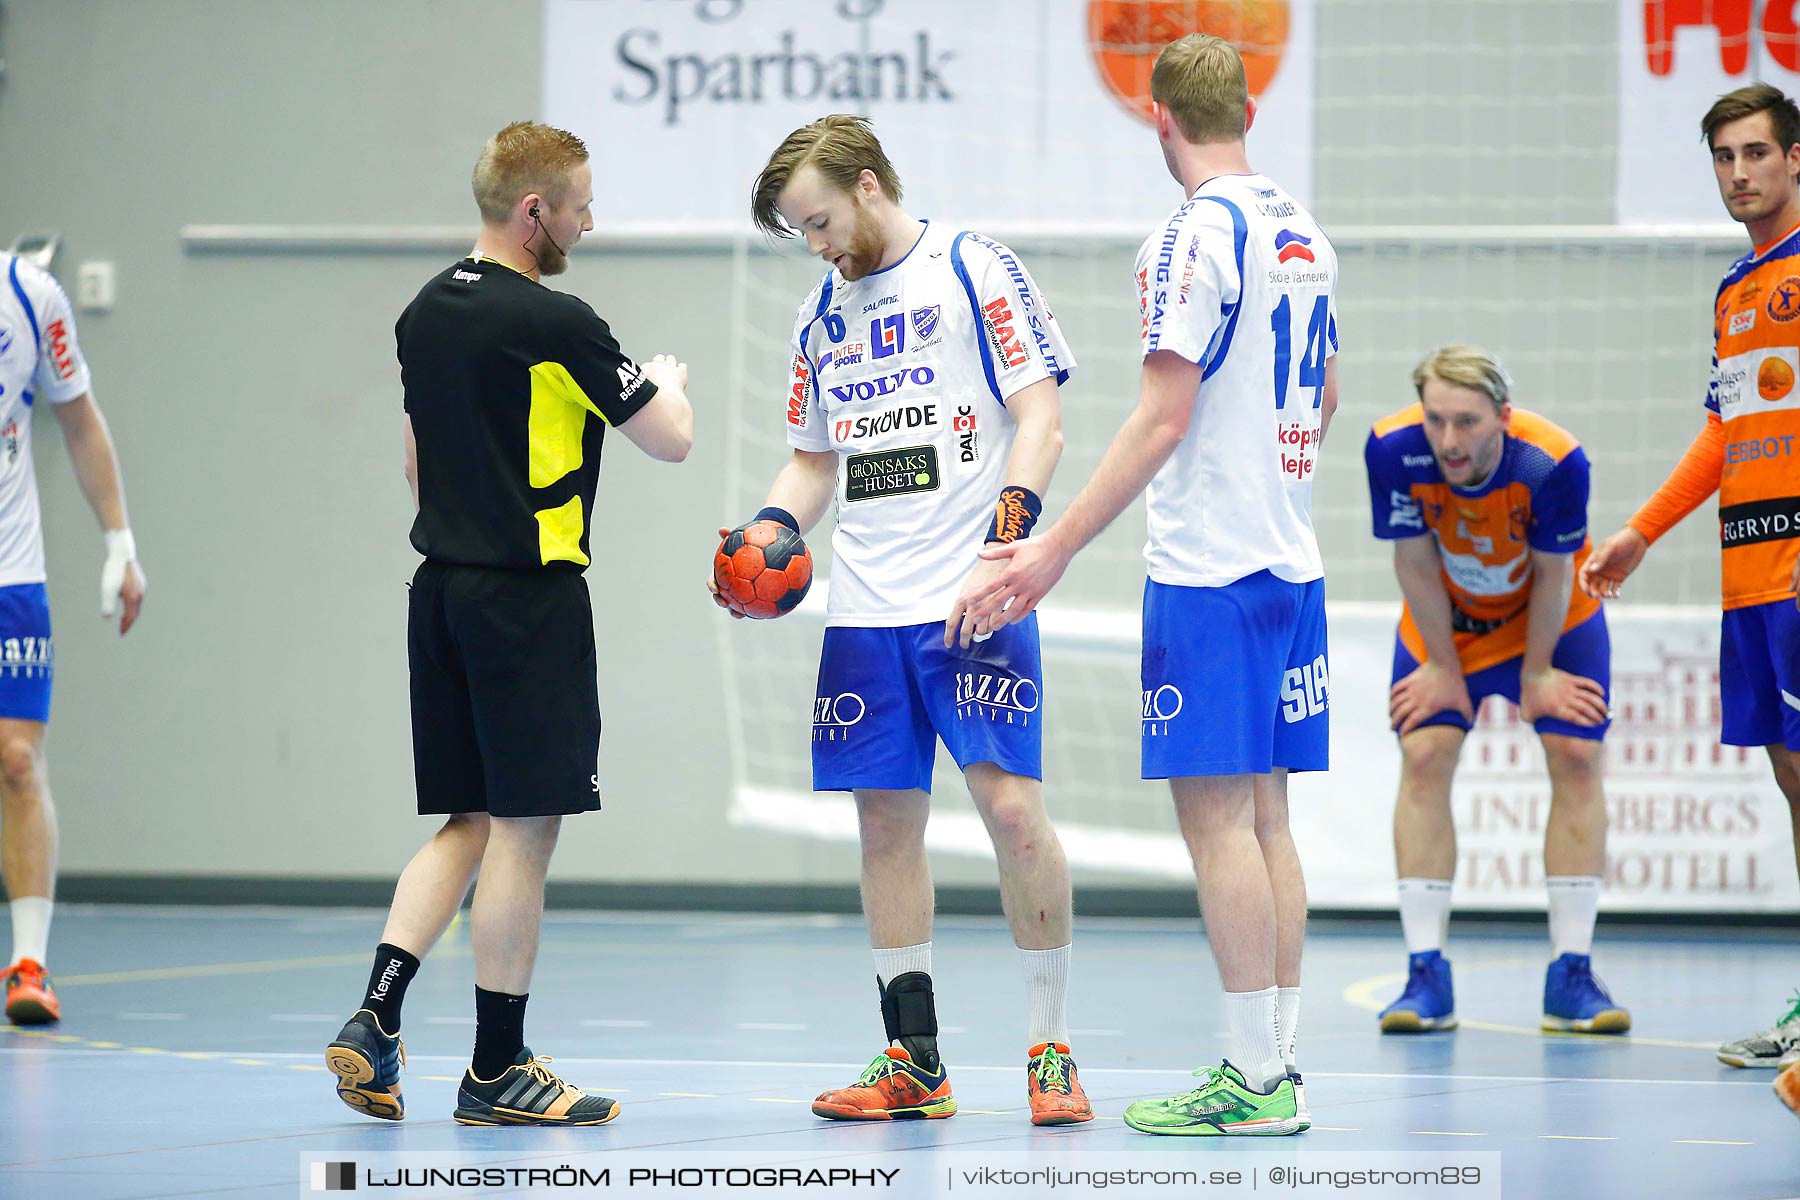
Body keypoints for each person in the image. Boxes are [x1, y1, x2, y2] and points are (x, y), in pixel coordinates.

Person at [956, 34, 1334, 1136]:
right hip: (1289, 559)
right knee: (1269, 822)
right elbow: (1326, 391)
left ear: (1158, 116)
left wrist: (1054, 544)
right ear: (1248, 108)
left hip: (1211, 569)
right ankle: (1277, 1065)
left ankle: (1254, 1083)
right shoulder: (1303, 227)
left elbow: (1161, 415)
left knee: (1219, 826)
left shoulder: (1188, 235)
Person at [714, 114, 1091, 1127]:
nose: (819, 245)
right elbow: (813, 462)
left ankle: (1050, 1050)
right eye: (801, 232)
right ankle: (913, 1061)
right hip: (865, 607)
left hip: (973, 593)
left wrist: (1008, 540)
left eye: (823, 220)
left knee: (1011, 810)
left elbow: (1042, 414)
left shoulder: (974, 267)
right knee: (886, 822)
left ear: (871, 184)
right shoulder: (818, 318)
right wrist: (762, 537)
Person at [323, 121, 694, 1126]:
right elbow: (672, 442)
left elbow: (414, 463)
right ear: (535, 213)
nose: (588, 218)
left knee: (467, 821)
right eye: (578, 202)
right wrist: (666, 382)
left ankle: (376, 1015)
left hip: (437, 592)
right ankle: (497, 1067)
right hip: (526, 601)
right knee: (525, 833)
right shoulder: (558, 319)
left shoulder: (422, 310)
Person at [1581, 82, 1800, 1078]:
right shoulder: (1731, 292)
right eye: (1725, 157)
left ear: (1794, 159)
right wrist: (1639, 532)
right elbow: (1724, 430)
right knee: (1792, 782)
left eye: (1757, 153)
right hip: (1749, 575)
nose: (1740, 174)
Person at [1365, 345, 1628, 1037]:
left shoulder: (1552, 462)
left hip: (1553, 614)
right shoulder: (1393, 450)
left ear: (1503, 418)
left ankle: (1571, 975)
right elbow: (1414, 561)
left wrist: (1538, 674)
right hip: (1449, 616)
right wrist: (1445, 669)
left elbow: (1554, 571)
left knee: (1575, 755)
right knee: (1423, 753)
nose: (1449, 441)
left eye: (1468, 423)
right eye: (1437, 420)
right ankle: (1426, 977)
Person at [0, 249, 146, 1025]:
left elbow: (80, 421)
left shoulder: (30, 295)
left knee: (18, 760)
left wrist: (119, 544)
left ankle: (29, 964)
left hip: (9, 570)